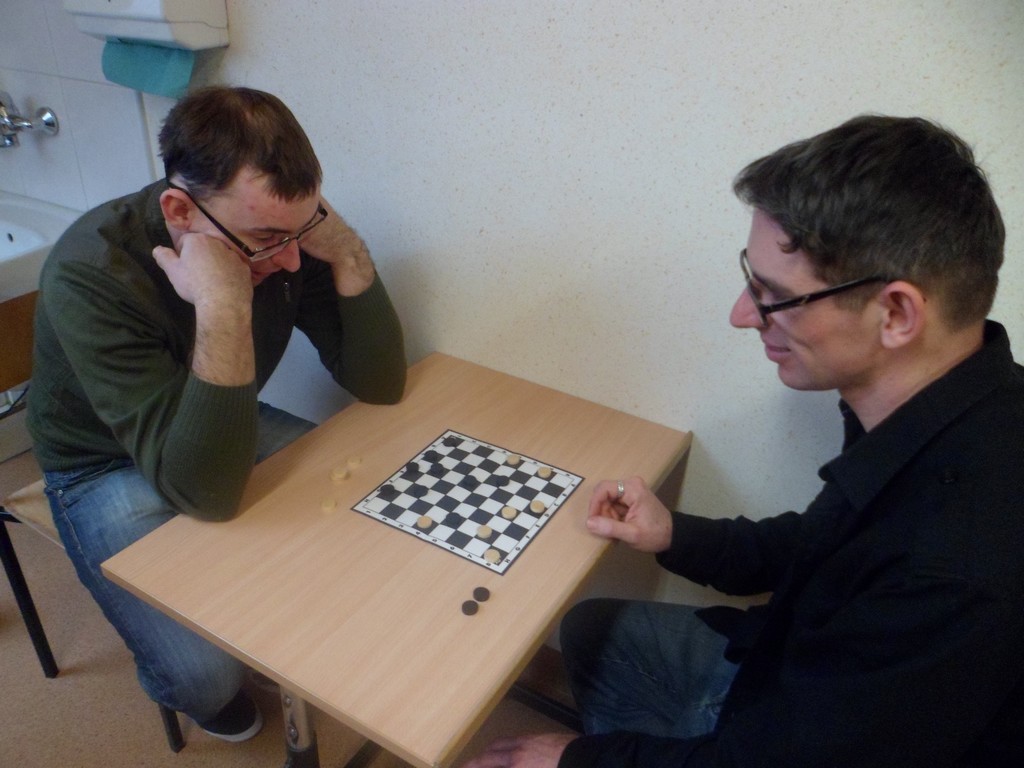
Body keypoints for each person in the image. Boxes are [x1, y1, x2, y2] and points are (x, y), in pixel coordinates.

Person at [465, 116, 1023, 767]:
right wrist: (674, 534)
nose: (741, 315)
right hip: (794, 673)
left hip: (812, 734)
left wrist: (576, 759)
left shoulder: (953, 570)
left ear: (896, 314)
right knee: (593, 629)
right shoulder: (956, 402)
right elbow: (829, 545)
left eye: (774, 296)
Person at [27, 86, 406, 741]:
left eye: (301, 229)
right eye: (266, 239)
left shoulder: (283, 234)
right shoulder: (89, 271)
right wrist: (224, 304)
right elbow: (204, 493)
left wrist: (344, 248)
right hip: (100, 461)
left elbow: (380, 383)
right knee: (209, 680)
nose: (290, 259)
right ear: (180, 210)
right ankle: (176, 677)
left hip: (213, 415)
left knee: (362, 509)